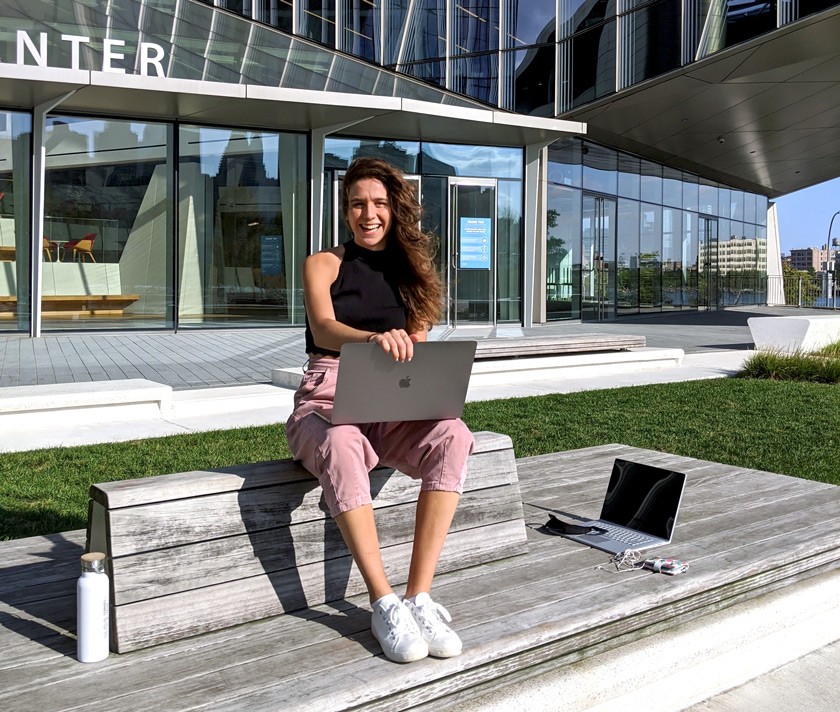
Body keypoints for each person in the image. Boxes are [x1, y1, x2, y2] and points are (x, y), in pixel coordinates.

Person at [285, 157, 475, 663]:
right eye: (357, 205)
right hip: (325, 395)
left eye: (378, 204)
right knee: (342, 440)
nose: (368, 214)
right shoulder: (323, 262)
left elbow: (419, 342)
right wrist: (374, 341)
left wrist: (414, 360)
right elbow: (323, 327)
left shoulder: (410, 270)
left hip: (390, 401)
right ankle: (383, 602)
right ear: (345, 211)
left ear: (394, 208)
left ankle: (420, 597)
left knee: (454, 433)